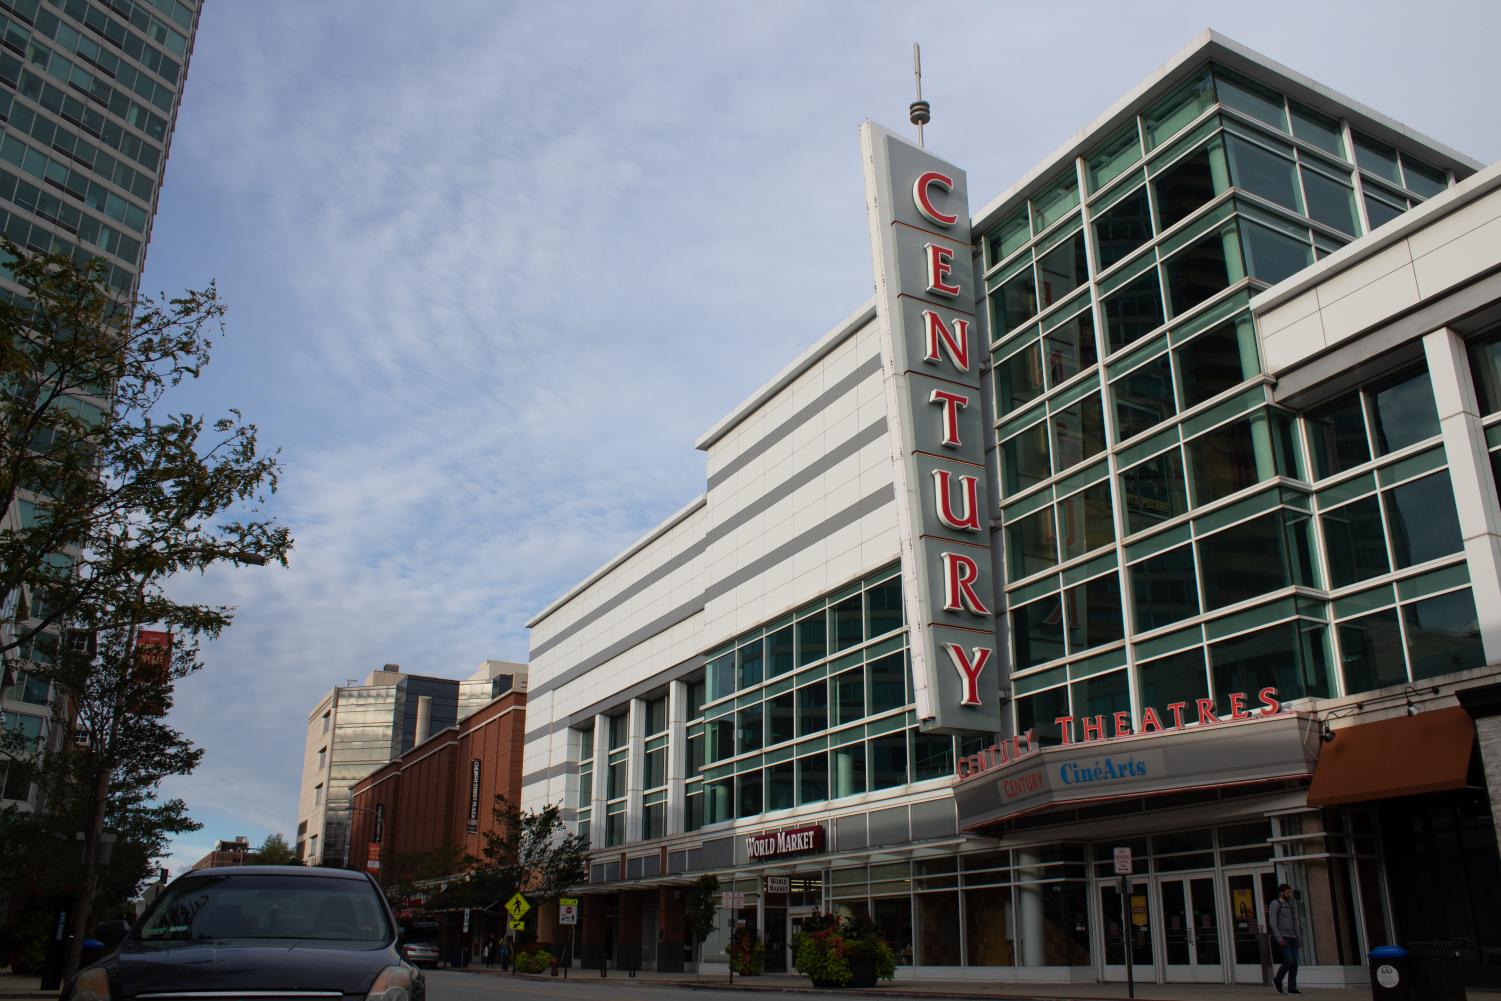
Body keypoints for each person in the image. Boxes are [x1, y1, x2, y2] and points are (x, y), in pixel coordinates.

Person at [1268, 883, 1301, 995]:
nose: (1289, 894)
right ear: (1281, 893)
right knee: (1289, 960)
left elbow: (1295, 922)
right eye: (1287, 892)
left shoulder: (1290, 905)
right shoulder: (1275, 903)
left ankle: (1292, 988)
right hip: (1283, 938)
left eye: (1290, 892)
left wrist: (1299, 938)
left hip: (1293, 938)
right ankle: (1277, 980)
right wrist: (1279, 937)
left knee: (1295, 963)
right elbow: (1272, 922)